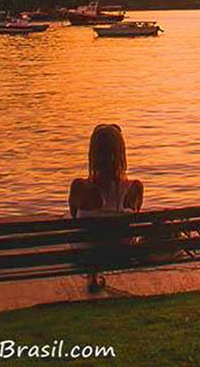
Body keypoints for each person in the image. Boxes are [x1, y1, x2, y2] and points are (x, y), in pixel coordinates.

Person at [68, 124, 143, 291]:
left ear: (92, 153)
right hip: (123, 256)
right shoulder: (135, 188)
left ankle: (92, 276)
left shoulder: (79, 187)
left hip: (87, 257)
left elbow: (74, 218)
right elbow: (135, 218)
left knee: (86, 237)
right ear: (121, 152)